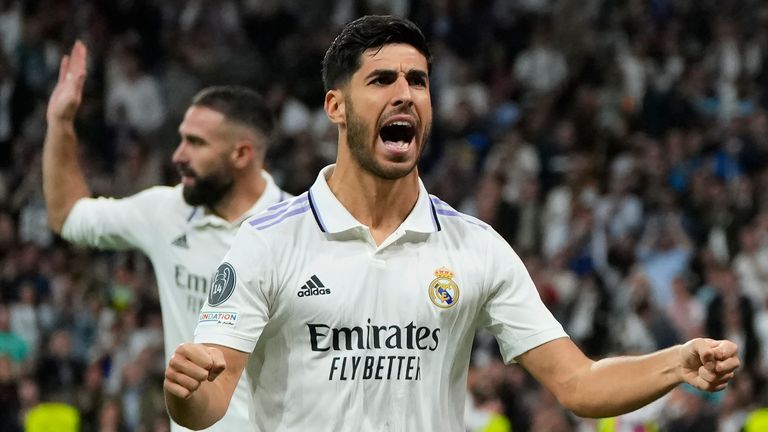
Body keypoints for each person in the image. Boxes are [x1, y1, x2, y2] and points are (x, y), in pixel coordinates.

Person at [162, 15, 740, 431]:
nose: (406, 94)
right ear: (336, 107)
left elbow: (578, 384)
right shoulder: (268, 241)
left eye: (418, 80)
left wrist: (676, 362)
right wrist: (186, 393)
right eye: (382, 80)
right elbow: (210, 400)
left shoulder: (476, 247)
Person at [43, 41, 288, 432]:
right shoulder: (164, 212)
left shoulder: (298, 228)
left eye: (196, 143)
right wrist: (60, 123)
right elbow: (67, 215)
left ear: (242, 154)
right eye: (181, 138)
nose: (177, 155)